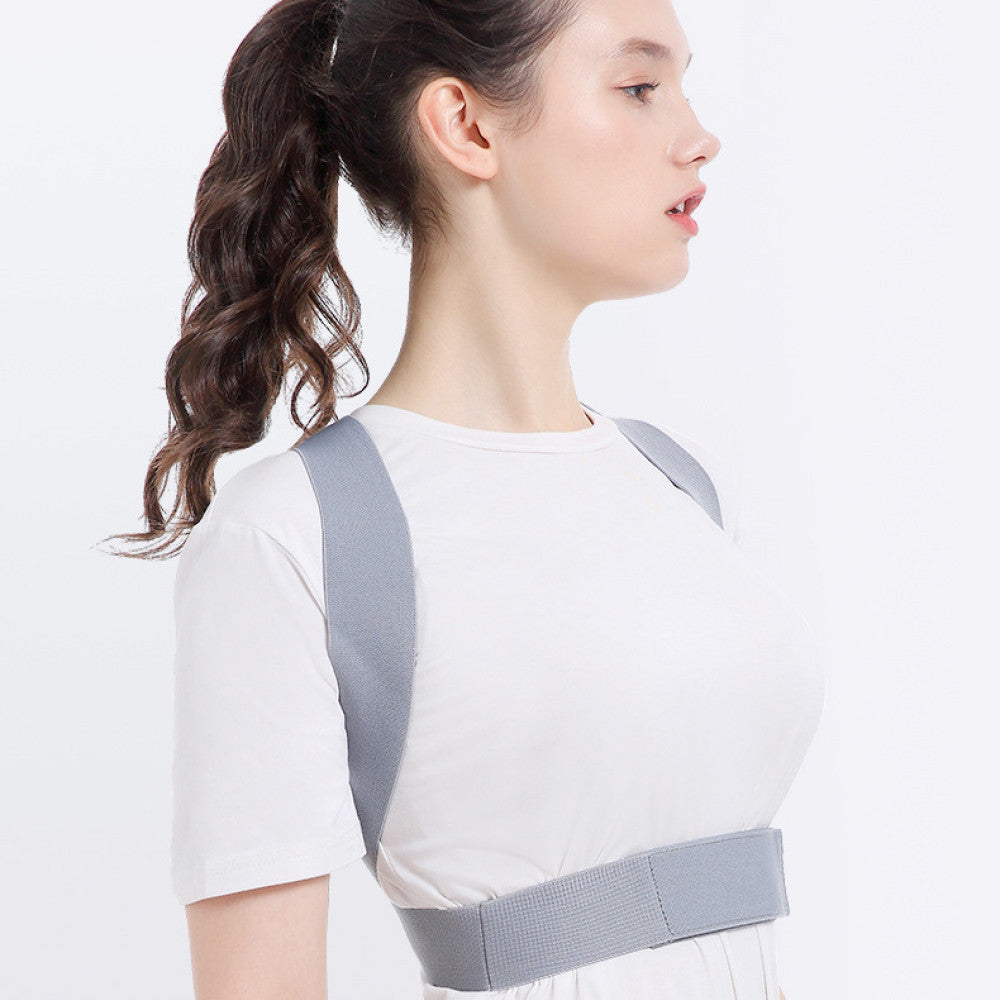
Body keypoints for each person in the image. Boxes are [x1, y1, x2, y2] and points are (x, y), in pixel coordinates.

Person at [104, 0, 825, 997]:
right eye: (638, 87)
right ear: (466, 126)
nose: (699, 137)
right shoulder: (299, 535)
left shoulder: (680, 485)